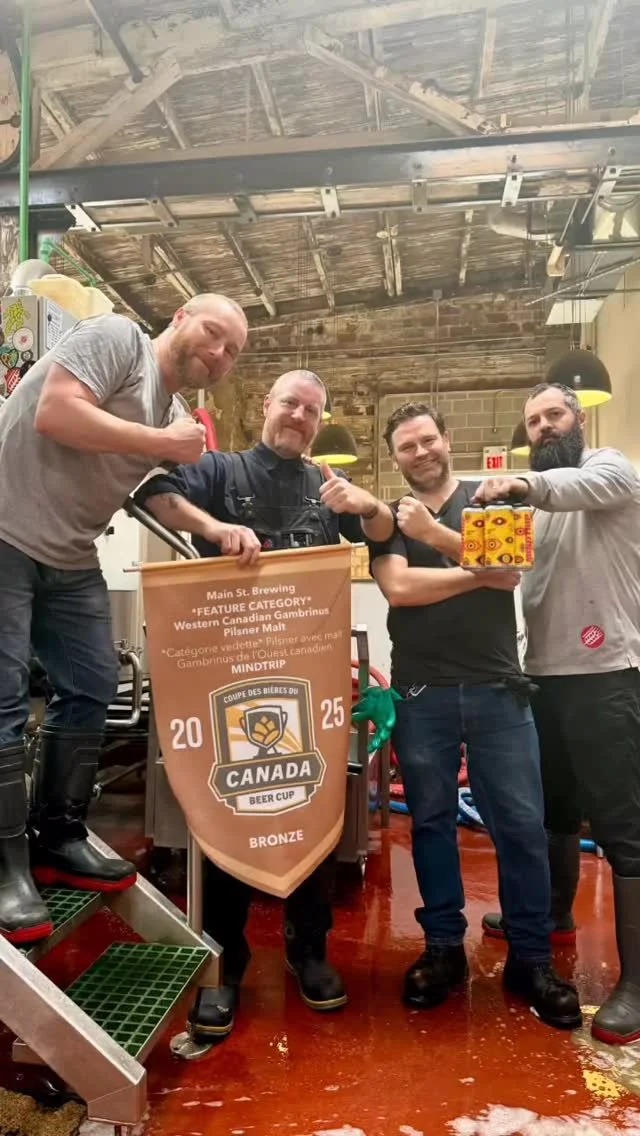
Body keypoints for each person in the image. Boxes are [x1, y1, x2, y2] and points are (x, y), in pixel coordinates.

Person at [134, 368, 393, 1039]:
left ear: (320, 422)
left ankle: (310, 951)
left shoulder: (326, 488)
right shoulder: (219, 471)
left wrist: (365, 502)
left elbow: (383, 533)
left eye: (312, 410)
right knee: (225, 816)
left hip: (306, 688)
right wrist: (215, 527)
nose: (299, 417)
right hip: (227, 687)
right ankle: (225, 964)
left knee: (313, 809)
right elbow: (152, 491)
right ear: (267, 407)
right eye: (291, 404)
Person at [0, 293, 249, 946]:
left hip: (68, 555)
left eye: (232, 352)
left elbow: (153, 493)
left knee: (92, 684)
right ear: (180, 317)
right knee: (3, 702)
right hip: (5, 534)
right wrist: (163, 442)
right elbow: (56, 411)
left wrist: (213, 528)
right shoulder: (118, 340)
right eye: (214, 332)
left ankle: (58, 835)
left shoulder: (172, 415)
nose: (219, 353)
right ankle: (5, 866)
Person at [353, 401, 581, 1030]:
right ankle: (443, 951)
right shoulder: (387, 518)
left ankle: (531, 960)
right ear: (394, 458)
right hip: (421, 694)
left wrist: (436, 538)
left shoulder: (490, 497)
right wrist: (477, 571)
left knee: (522, 827)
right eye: (407, 447)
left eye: (428, 440)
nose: (421, 452)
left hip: (496, 690)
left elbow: (512, 572)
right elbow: (400, 590)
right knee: (429, 824)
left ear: (447, 439)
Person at [476, 381, 640, 1046]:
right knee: (555, 812)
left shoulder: (612, 470)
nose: (543, 426)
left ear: (579, 420)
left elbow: (573, 486)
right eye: (533, 421)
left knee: (624, 828)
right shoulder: (535, 507)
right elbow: (497, 571)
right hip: (541, 677)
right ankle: (552, 918)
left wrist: (518, 485)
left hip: (608, 676)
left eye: (554, 415)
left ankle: (637, 984)